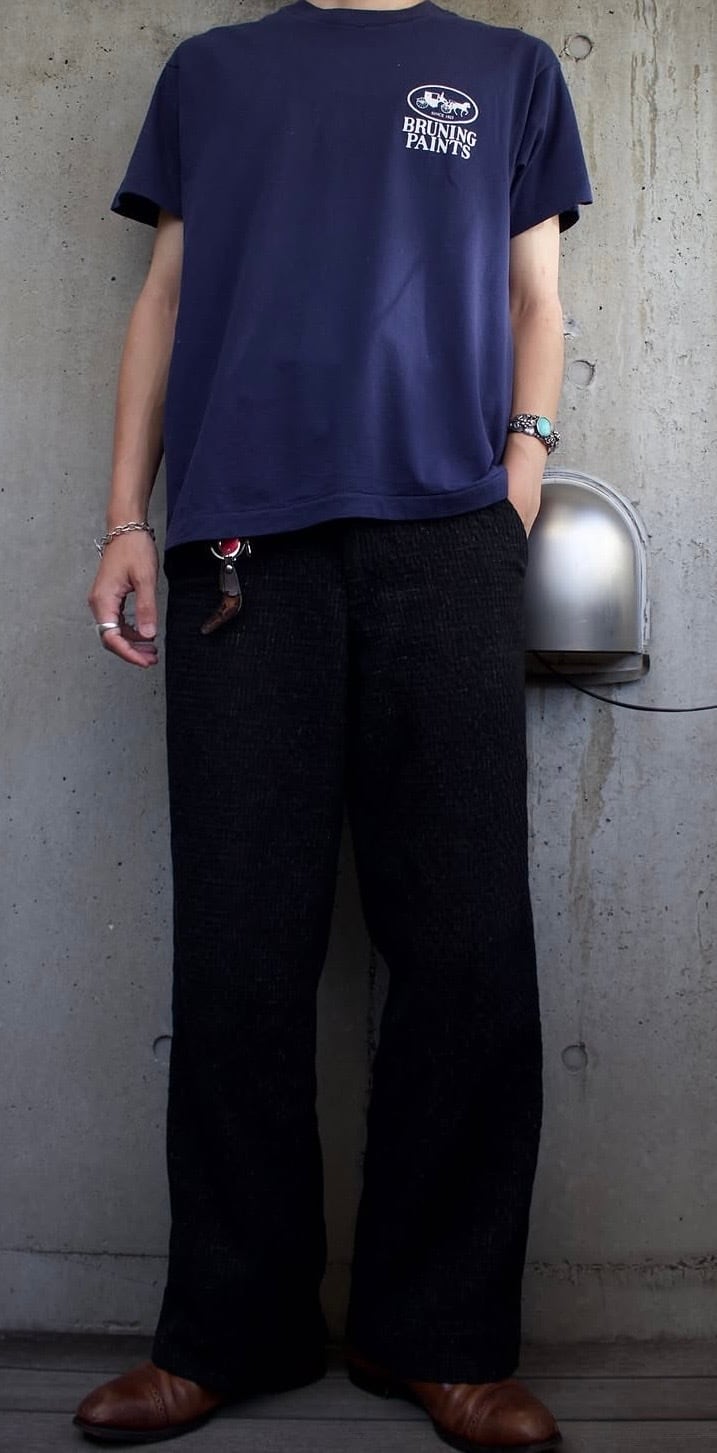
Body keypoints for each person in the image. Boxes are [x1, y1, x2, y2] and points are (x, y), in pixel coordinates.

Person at [76, 1, 592, 1446]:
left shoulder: (507, 71)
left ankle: (442, 1334)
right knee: (240, 950)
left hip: (447, 538)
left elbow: (534, 298)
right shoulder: (211, 73)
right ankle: (226, 1328)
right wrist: (126, 517)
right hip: (242, 548)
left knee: (466, 948)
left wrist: (515, 487)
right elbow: (166, 297)